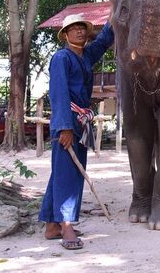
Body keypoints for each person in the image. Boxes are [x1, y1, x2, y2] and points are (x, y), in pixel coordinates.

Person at [39, 13, 114, 250]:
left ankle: (52, 225)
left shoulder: (84, 56)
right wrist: (64, 127)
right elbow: (58, 94)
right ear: (65, 34)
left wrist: (115, 16)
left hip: (81, 122)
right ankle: (67, 226)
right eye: (74, 28)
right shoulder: (62, 58)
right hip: (68, 121)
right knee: (66, 174)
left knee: (67, 171)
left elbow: (102, 42)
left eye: (83, 28)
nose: (80, 31)